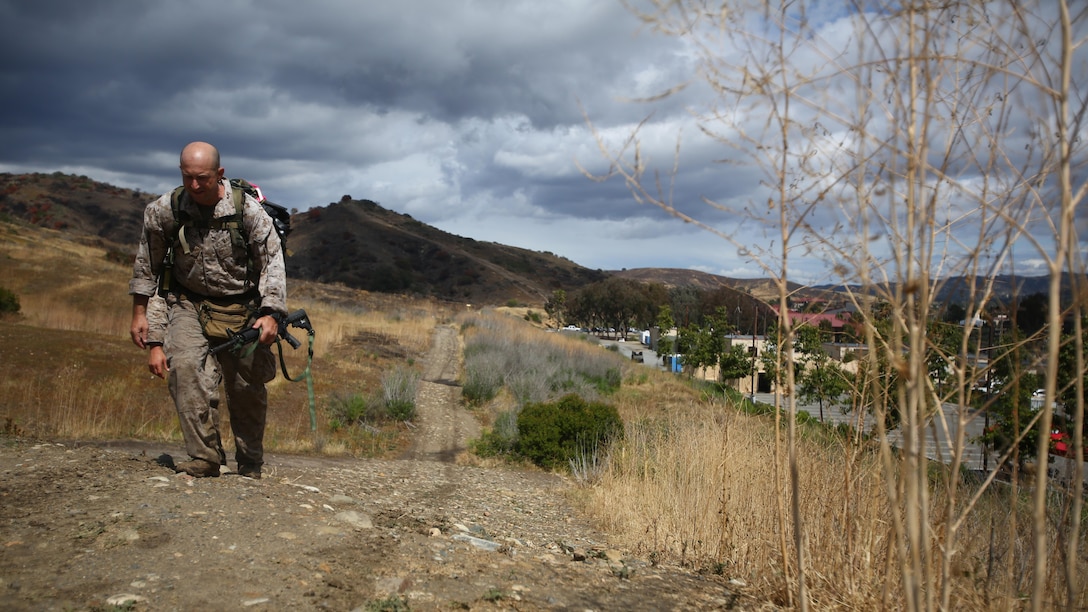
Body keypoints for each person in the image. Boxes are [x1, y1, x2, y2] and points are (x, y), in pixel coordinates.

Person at [129, 141, 287, 479]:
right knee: (186, 369)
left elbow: (273, 263)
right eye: (188, 177)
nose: (195, 186)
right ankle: (204, 457)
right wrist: (143, 317)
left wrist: (271, 312)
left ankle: (250, 463)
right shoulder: (164, 211)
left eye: (202, 178)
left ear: (220, 173)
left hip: (243, 309)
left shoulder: (248, 212)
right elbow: (148, 266)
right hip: (188, 304)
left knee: (246, 387)